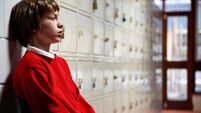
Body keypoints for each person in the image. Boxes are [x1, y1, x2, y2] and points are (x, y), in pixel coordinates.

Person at [9, 0, 95, 113]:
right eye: (52, 18)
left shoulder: (60, 62)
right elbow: (51, 109)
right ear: (31, 25)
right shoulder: (31, 66)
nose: (60, 24)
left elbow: (78, 101)